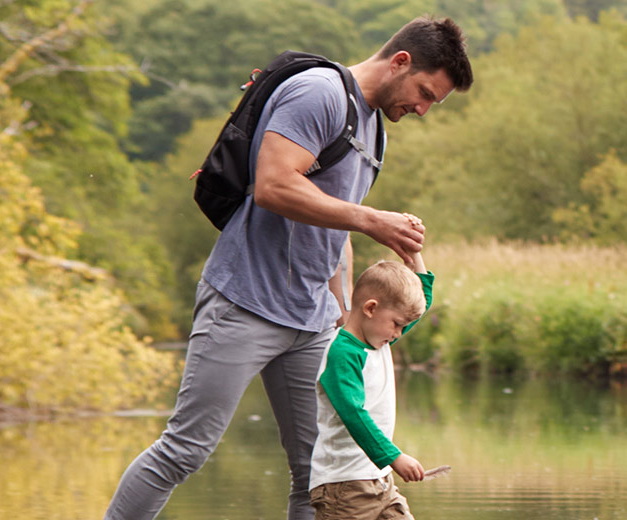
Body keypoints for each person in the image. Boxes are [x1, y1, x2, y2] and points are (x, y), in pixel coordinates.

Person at [104, 16, 474, 520]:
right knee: (184, 451)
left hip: (313, 319)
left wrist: (343, 312)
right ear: (401, 62)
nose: (424, 110)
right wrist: (371, 220)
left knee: (315, 472)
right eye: (426, 93)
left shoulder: (374, 130)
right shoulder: (319, 93)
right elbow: (274, 185)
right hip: (244, 302)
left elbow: (333, 232)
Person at [306, 256, 439, 520]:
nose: (400, 333)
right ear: (370, 308)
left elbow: (419, 306)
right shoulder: (343, 354)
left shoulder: (379, 339)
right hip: (344, 487)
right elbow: (353, 413)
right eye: (397, 324)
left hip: (380, 480)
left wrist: (414, 256)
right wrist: (394, 456)